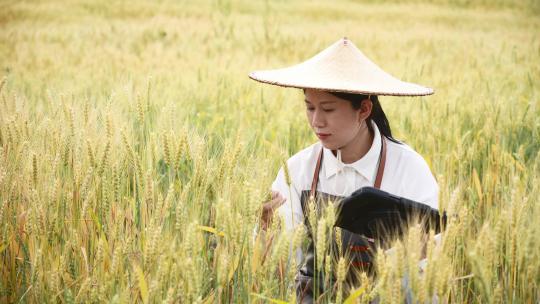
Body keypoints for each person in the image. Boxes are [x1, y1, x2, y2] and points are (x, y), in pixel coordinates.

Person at [250, 37, 439, 303]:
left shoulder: (408, 170)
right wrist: (266, 231)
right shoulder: (297, 170)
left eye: (328, 109)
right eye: (310, 107)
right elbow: (281, 272)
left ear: (364, 109)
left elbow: (425, 274)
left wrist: (414, 252)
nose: (316, 121)